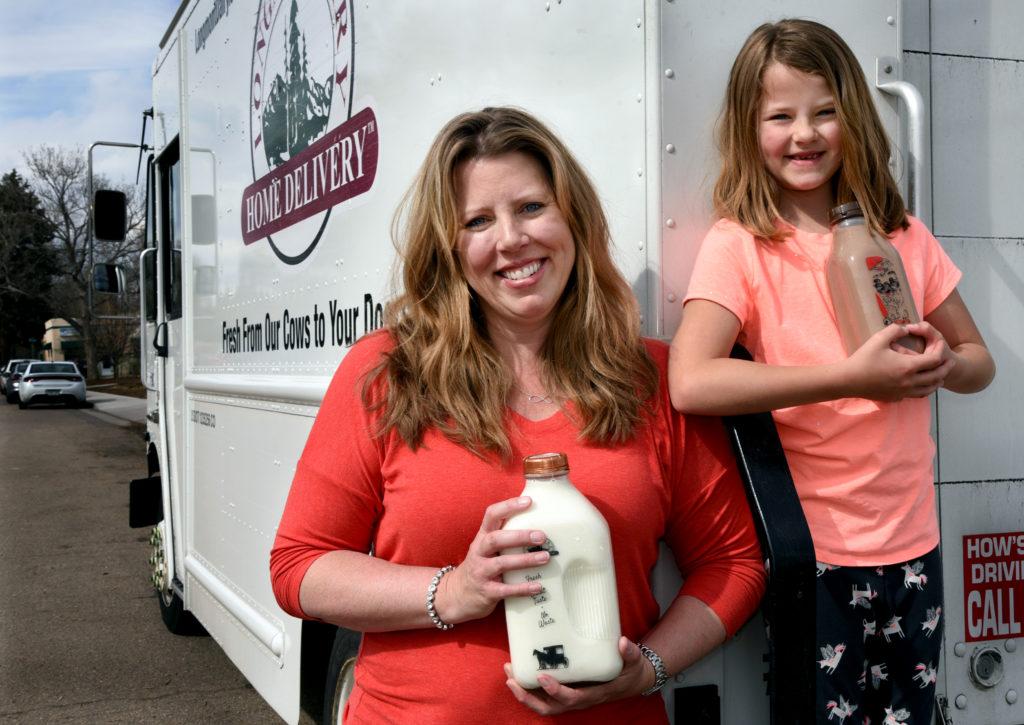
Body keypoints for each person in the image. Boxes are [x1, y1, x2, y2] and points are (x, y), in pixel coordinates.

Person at [270, 106, 765, 723]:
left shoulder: (655, 379)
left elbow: (734, 565)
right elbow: (299, 568)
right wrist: (451, 591)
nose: (510, 239)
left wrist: (649, 667)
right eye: (478, 220)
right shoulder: (386, 372)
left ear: (572, 219)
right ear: (449, 247)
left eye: (531, 208)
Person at [668, 19, 996, 724]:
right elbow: (691, 381)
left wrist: (943, 364)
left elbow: (980, 363)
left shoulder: (899, 233)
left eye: (824, 111)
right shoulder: (741, 244)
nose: (804, 133)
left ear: (854, 115)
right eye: (780, 116)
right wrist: (851, 377)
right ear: (749, 130)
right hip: (815, 553)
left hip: (915, 545)